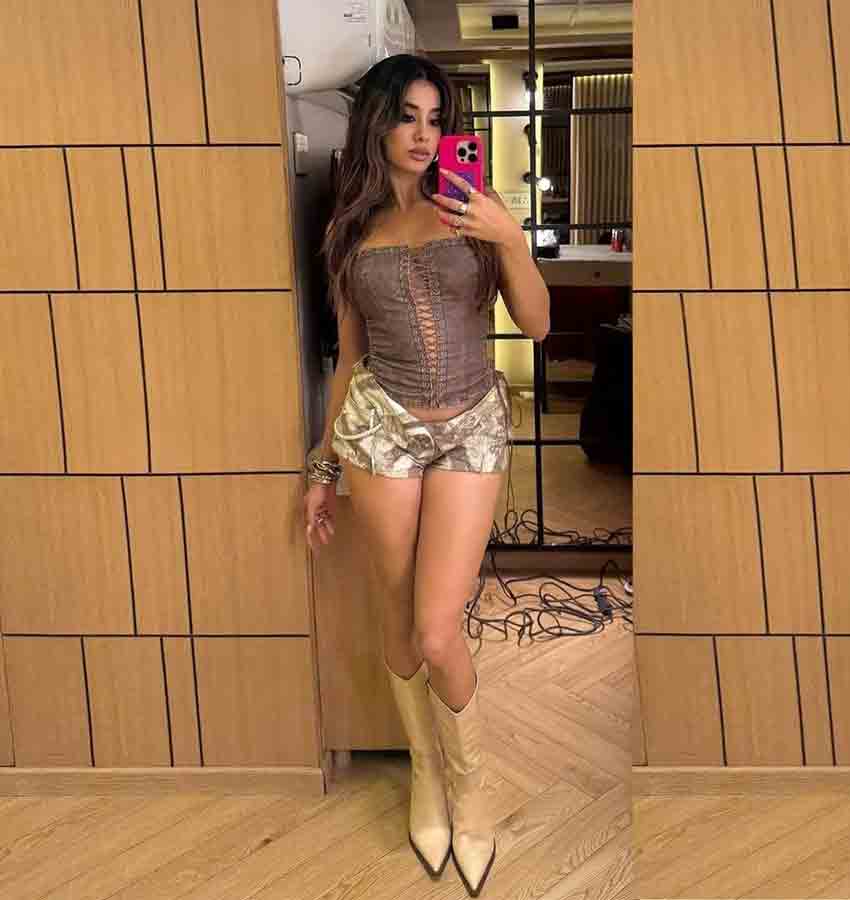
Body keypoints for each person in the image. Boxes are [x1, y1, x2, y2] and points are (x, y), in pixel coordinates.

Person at [304, 53, 549, 897]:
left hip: (471, 425)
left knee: (439, 629)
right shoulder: (349, 230)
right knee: (398, 616)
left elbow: (538, 325)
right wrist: (320, 467)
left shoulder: (474, 210)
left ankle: (471, 782)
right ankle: (425, 774)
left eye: (437, 119)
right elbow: (349, 360)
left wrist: (509, 237)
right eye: (407, 116)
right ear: (377, 122)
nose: (423, 134)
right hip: (379, 434)